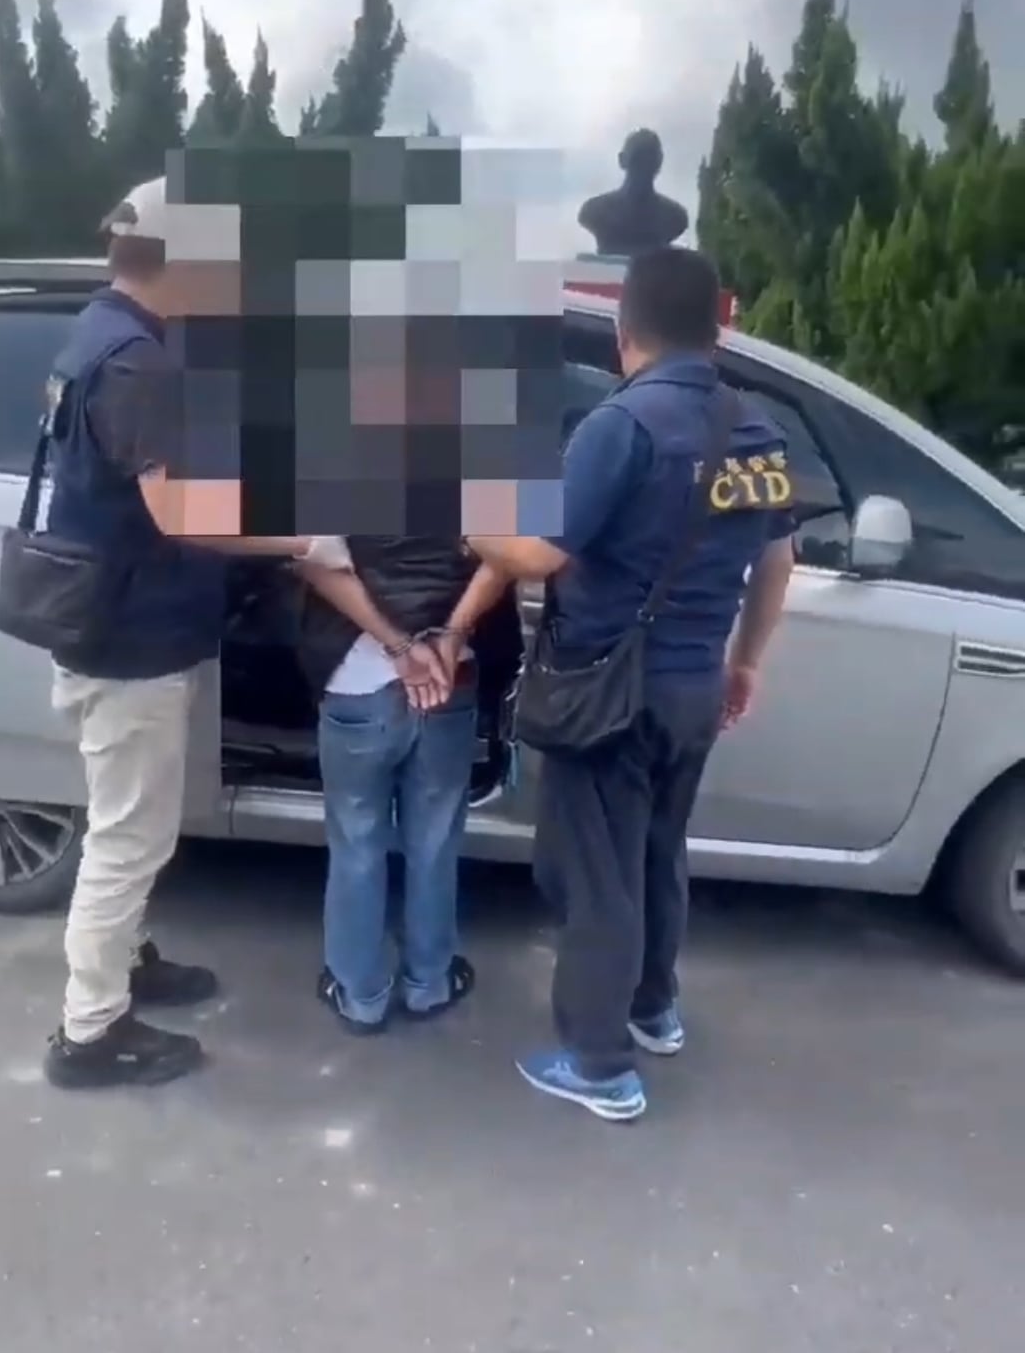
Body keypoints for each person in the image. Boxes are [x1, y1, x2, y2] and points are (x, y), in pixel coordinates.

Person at [469, 248, 795, 1121]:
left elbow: (536, 552)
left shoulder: (621, 425)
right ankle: (655, 1009)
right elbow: (777, 559)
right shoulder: (756, 427)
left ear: (624, 331)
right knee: (656, 853)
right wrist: (746, 661)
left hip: (611, 693)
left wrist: (473, 520)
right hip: (695, 688)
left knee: (596, 874)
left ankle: (600, 1063)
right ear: (716, 329)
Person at [41, 178, 315, 1091]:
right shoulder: (135, 363)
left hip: (120, 628)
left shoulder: (102, 334)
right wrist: (298, 536)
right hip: (133, 644)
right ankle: (91, 1031)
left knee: (133, 826)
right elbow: (177, 513)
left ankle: (126, 959)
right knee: (127, 838)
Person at [294, 538, 517, 1032]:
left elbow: (312, 559)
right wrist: (453, 636)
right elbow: (511, 553)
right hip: (450, 670)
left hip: (352, 674)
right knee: (435, 837)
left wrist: (396, 645)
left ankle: (360, 994)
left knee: (356, 839)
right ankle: (429, 981)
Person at [577, 128, 689, 258]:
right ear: (622, 160)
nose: (644, 167)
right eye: (638, 160)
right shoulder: (594, 210)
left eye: (649, 160)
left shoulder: (675, 216)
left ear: (658, 163)